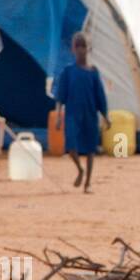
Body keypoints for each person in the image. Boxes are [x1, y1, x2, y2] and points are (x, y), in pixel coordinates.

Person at [51, 32, 109, 192]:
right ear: (73, 49)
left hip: (90, 115)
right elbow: (60, 96)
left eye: (83, 46)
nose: (81, 50)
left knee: (91, 149)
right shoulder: (68, 72)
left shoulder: (93, 72)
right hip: (72, 115)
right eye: (78, 46)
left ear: (88, 48)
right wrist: (57, 117)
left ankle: (88, 183)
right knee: (71, 145)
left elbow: (100, 96)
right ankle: (79, 169)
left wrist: (105, 116)